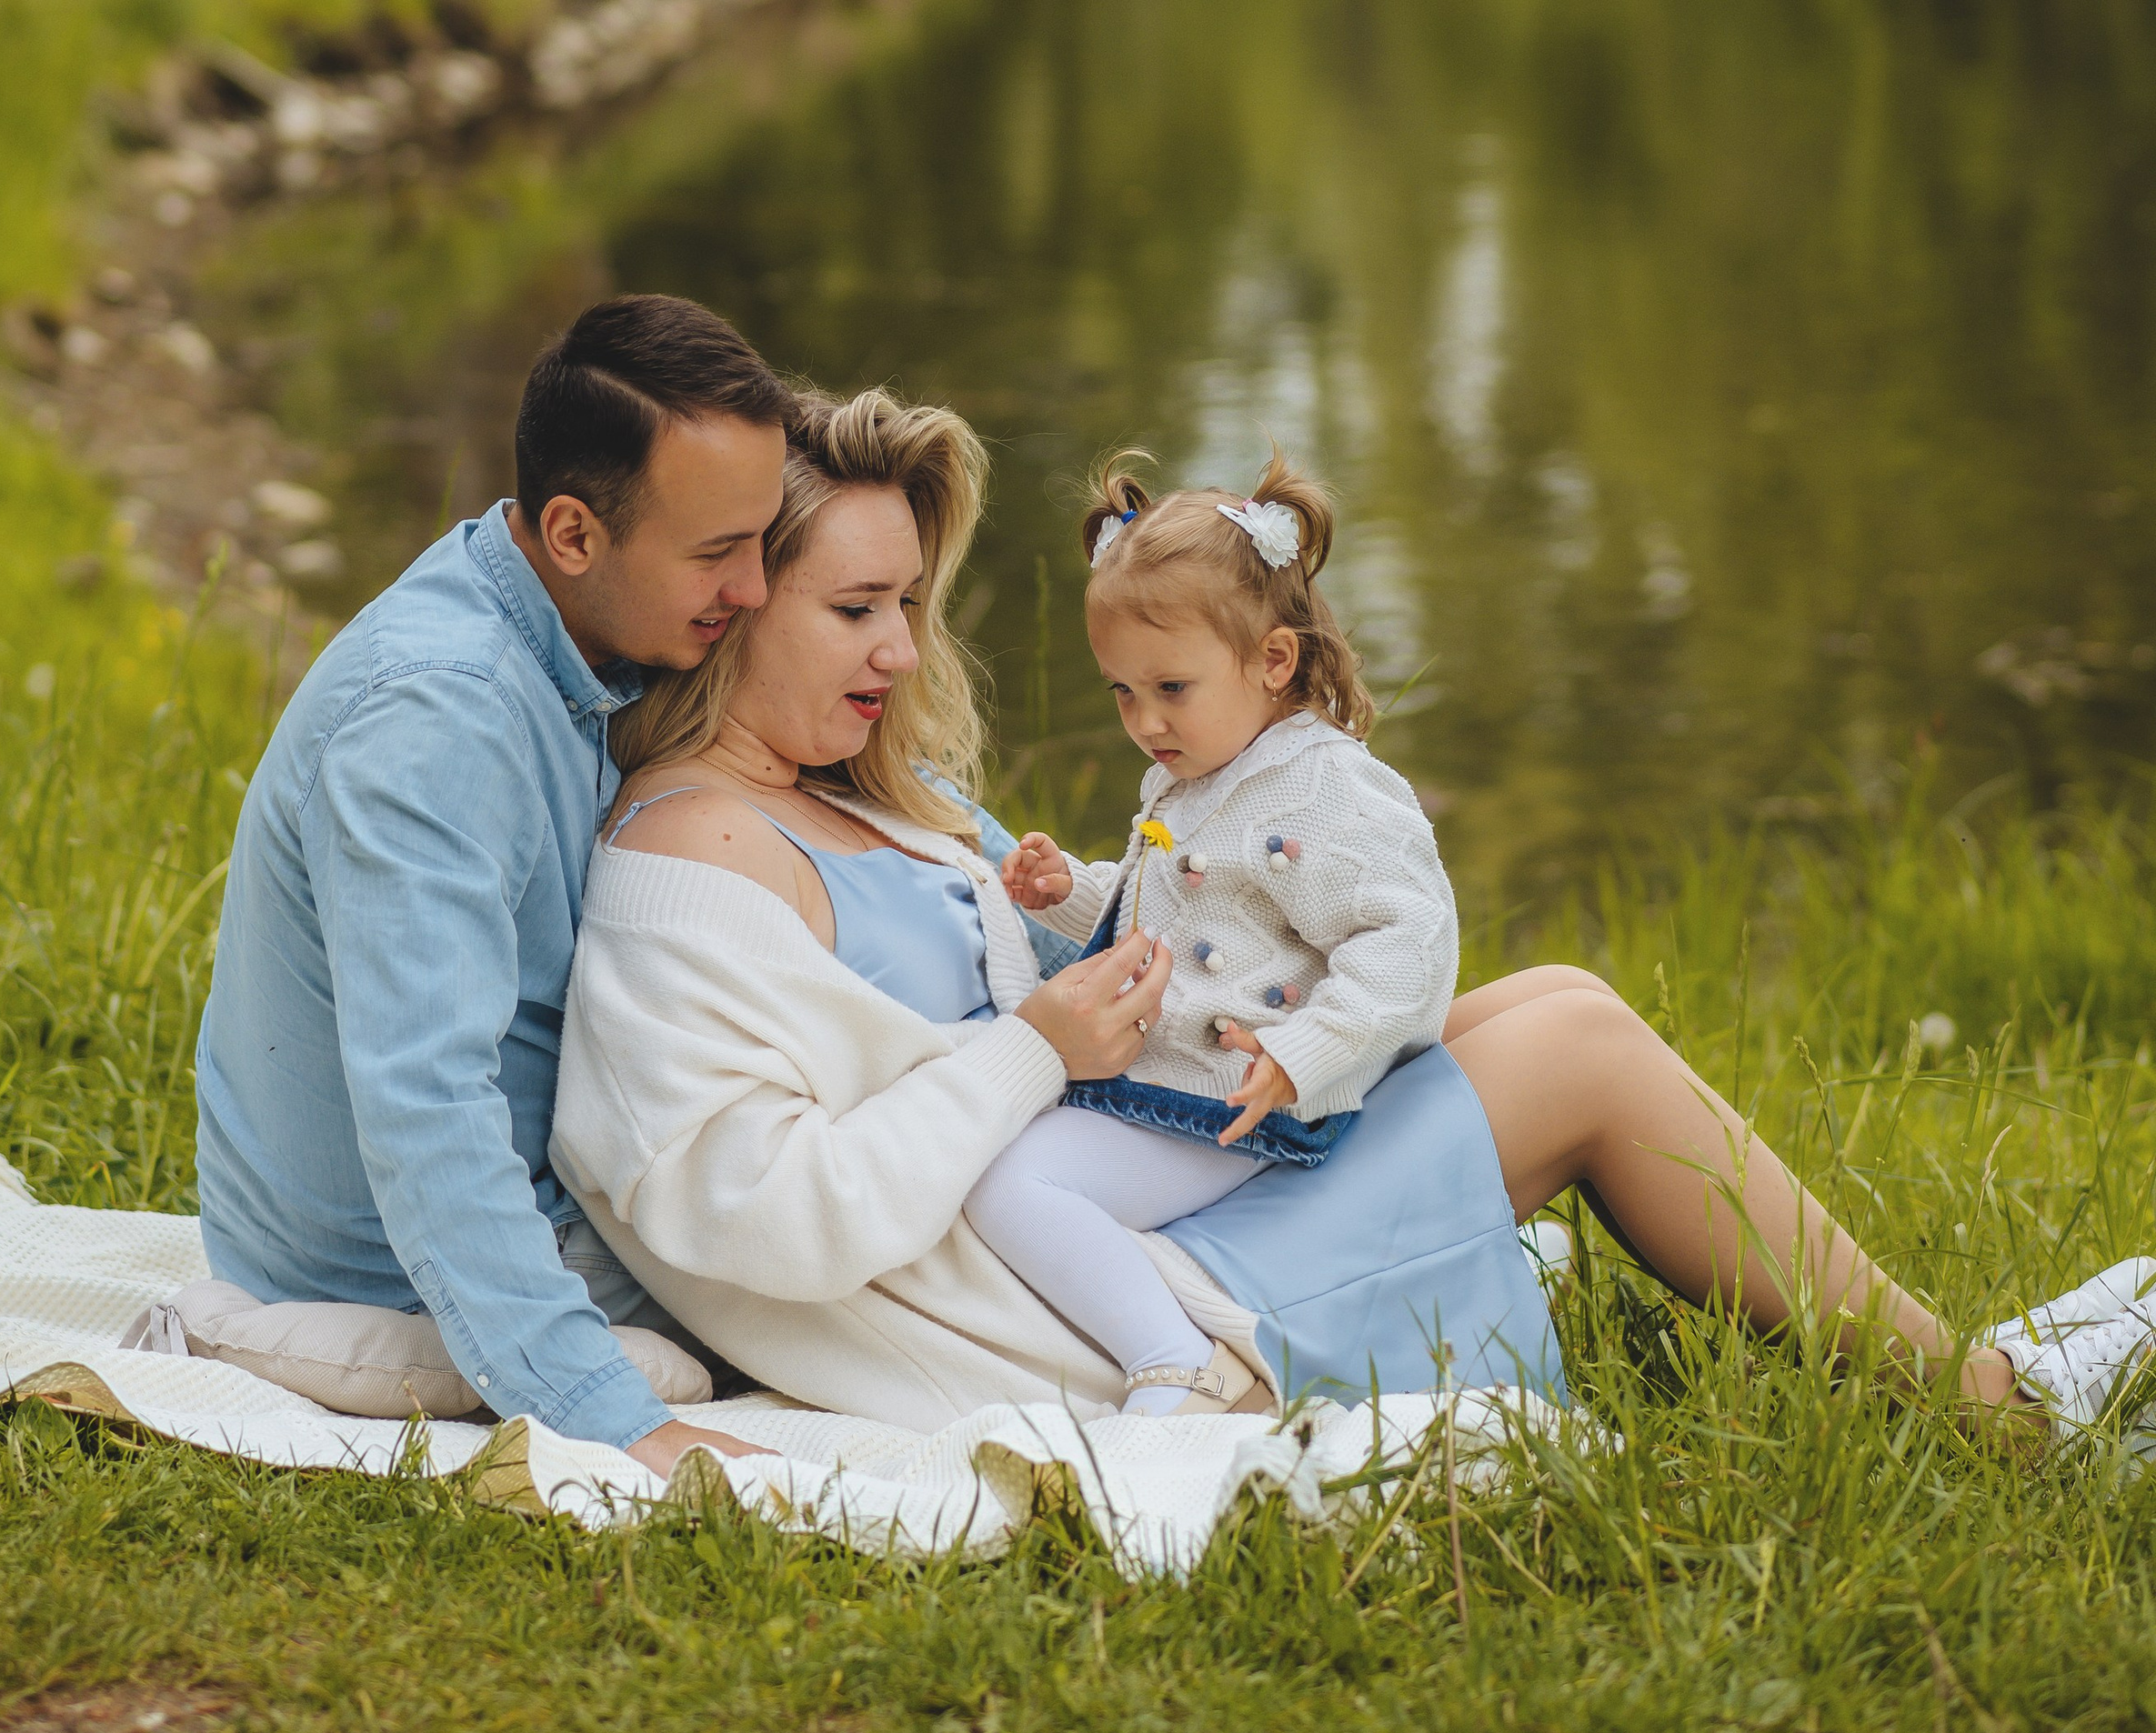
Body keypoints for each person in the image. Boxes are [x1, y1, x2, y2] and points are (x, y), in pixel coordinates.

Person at [553, 386, 2154, 1438]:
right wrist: (1033, 1049)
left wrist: (1062, 951)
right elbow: (751, 1212)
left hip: (1148, 1162)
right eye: (854, 606)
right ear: (738, 600)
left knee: (1547, 992)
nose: (900, 648)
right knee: (1580, 1047)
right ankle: (2001, 1405)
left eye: (909, 601)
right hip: (1081, 1297)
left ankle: (1970, 1359)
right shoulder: (692, 859)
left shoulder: (858, 795)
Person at [189, 293, 790, 1472]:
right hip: (384, 1264)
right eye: (720, 552)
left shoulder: (554, 612)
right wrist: (618, 1420)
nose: (757, 586)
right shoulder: (442, 715)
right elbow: (428, 1104)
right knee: (887, 1238)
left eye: (762, 538)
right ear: (573, 533)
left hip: (552, 1184)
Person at [963, 454, 1459, 1414]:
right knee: (1002, 1143)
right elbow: (1189, 912)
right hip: (1176, 1078)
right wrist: (1071, 893)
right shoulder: (1202, 767)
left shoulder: (1321, 785)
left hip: (1237, 1098)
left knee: (1011, 1184)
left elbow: (1407, 937)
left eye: (1170, 689)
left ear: (1272, 660)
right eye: (1119, 692)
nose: (1143, 721)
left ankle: (1172, 1359)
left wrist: (1303, 1051)